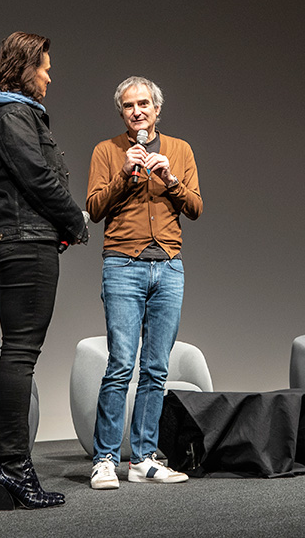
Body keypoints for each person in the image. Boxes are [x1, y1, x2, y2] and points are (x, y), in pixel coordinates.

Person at [0, 32, 90, 509]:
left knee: (19, 351)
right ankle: (13, 471)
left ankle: (10, 476)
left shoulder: (6, 114)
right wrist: (75, 219)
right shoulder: (13, 114)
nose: (49, 75)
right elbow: (37, 176)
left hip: (21, 238)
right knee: (20, 353)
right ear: (24, 68)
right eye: (43, 67)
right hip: (24, 240)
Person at [84, 76, 202, 489]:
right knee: (120, 365)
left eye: (145, 104)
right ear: (122, 112)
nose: (138, 111)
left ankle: (145, 458)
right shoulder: (107, 150)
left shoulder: (180, 150)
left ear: (157, 109)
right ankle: (104, 459)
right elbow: (94, 208)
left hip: (168, 266)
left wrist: (170, 179)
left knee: (156, 368)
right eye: (130, 105)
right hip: (122, 265)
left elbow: (196, 208)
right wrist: (126, 174)